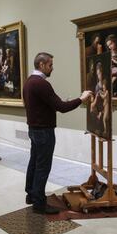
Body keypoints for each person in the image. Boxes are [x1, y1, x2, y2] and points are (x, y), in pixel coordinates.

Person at [23, 52, 92, 214]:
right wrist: (81, 99)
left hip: (34, 130)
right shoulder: (41, 84)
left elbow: (45, 105)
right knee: (42, 167)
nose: (52, 68)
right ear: (41, 65)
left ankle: (31, 195)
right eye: (50, 65)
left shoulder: (28, 82)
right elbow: (62, 107)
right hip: (44, 132)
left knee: (34, 162)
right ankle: (39, 204)